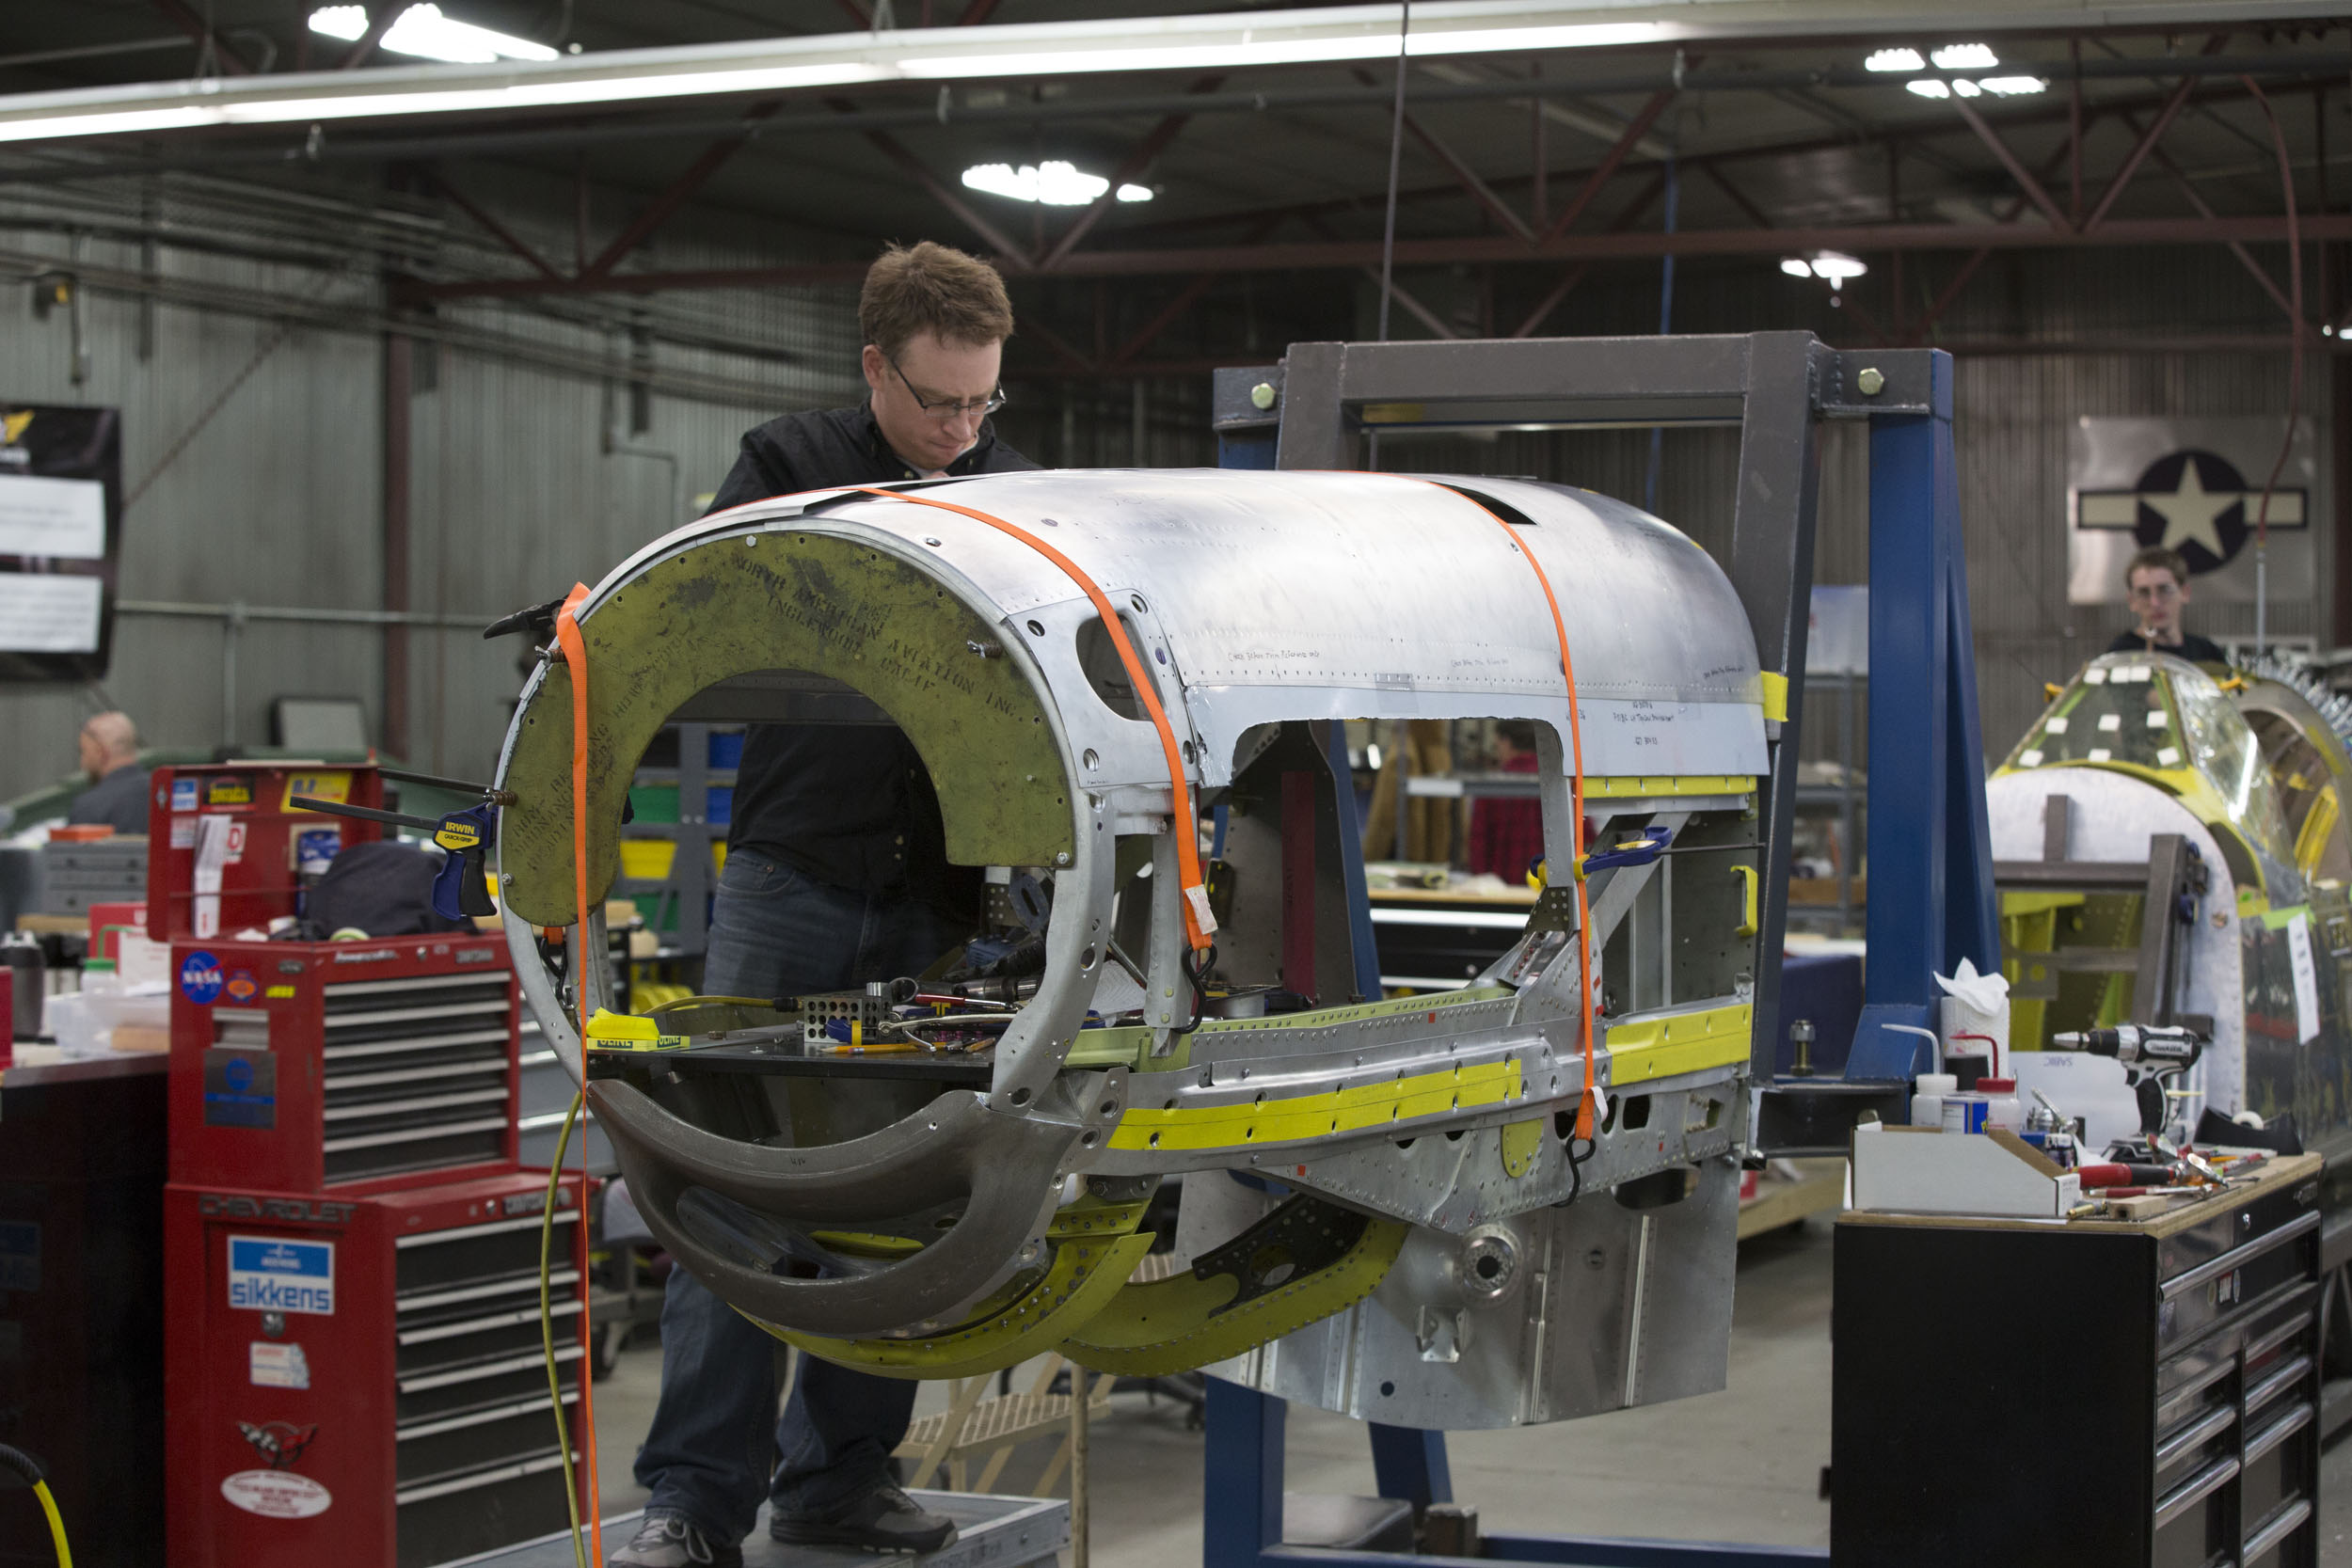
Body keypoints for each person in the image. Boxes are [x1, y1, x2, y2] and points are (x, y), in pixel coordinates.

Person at [612, 241, 1035, 1568]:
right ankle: (692, 1497)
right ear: (875, 368)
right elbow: (699, 619)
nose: (962, 435)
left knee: (904, 1206)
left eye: (983, 405)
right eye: (937, 404)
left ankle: (840, 1482)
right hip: (791, 880)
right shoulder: (788, 468)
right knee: (737, 1190)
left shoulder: (1015, 497)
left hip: (940, 898)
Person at [2108, 546, 2226, 664]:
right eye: (2144, 593)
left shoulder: (2207, 652)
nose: (2155, 603)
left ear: (2185, 593)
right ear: (2131, 601)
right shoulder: (2120, 656)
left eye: (2165, 590)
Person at [65, 711, 148, 835]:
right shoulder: (165, 795)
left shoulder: (89, 807)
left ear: (100, 752)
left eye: (84, 752)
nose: (82, 763)